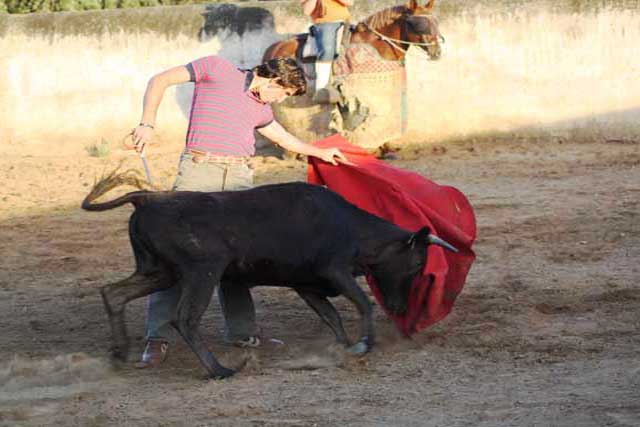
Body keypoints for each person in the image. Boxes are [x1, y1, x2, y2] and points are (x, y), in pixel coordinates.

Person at [130, 55, 348, 368]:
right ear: (274, 79)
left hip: (238, 178)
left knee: (240, 259)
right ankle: (158, 336)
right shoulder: (217, 68)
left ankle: (242, 333)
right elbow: (159, 79)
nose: (282, 99)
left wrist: (320, 152)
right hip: (198, 173)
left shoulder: (262, 108)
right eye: (283, 93)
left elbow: (283, 138)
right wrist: (147, 124)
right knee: (177, 255)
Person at [301, 0, 354, 103]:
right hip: (325, 23)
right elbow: (306, 11)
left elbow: (350, 2)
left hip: (345, 21)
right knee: (327, 50)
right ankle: (321, 89)